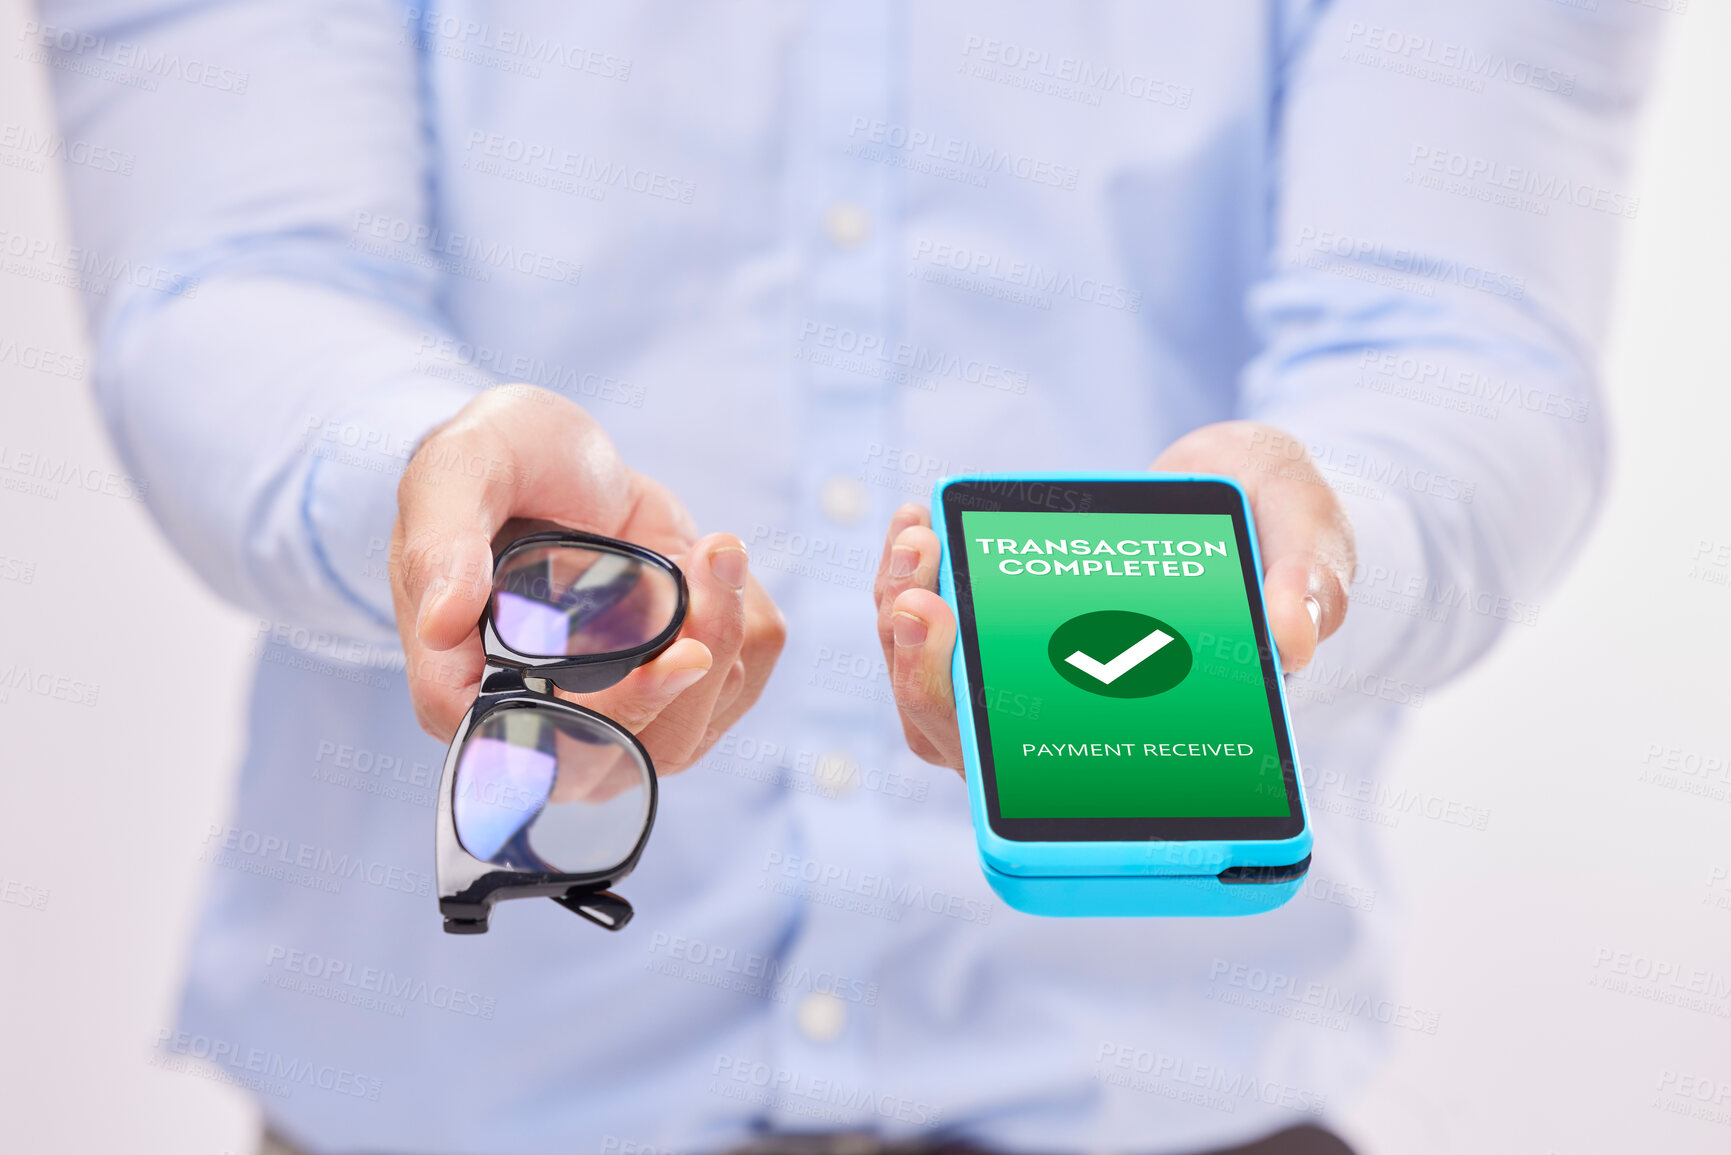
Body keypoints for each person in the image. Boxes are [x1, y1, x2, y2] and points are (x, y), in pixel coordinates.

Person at [38, 1, 1659, 1152]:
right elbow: (230, 282)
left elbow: (1455, 337)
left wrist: (1318, 544)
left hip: (1184, 1111)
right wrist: (424, 489)